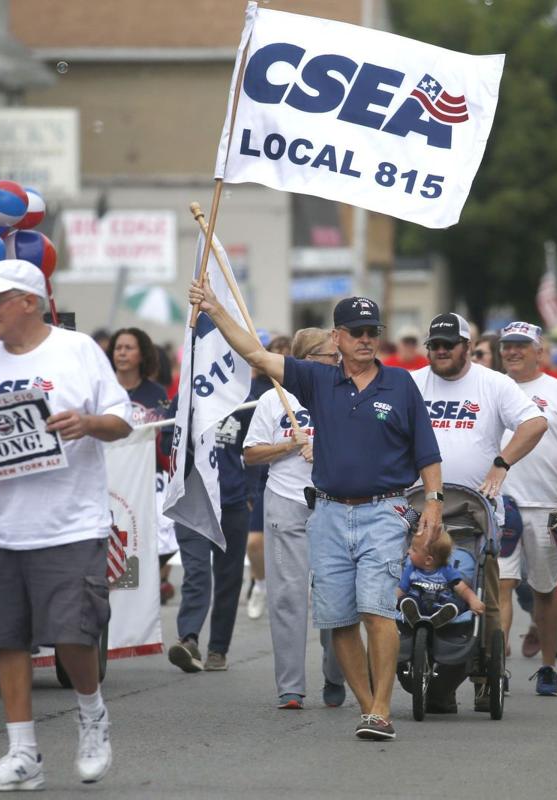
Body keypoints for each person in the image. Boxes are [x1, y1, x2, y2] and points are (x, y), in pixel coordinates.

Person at [188, 283, 444, 742]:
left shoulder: (401, 383)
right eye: (357, 331)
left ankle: (382, 709)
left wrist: (435, 505)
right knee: (338, 618)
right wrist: (215, 309)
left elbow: (427, 451)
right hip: (325, 513)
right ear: (338, 338)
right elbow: (257, 355)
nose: (366, 338)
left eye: (373, 330)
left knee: (377, 611)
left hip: (384, 511)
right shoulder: (318, 379)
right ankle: (367, 708)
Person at [0, 260, 133, 790]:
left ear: (30, 301)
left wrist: (88, 423)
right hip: (2, 525)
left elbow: (122, 418)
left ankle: (92, 715)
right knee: (8, 641)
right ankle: (23, 752)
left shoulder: (77, 350)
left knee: (72, 635)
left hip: (70, 523)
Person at [410, 313, 546, 711]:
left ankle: (487, 677)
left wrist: (501, 464)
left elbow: (535, 423)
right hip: (419, 507)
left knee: (481, 595)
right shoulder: (413, 383)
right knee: (417, 588)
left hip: (475, 513)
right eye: (434, 344)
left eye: (448, 344)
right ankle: (434, 679)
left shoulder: (494, 384)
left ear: (467, 347)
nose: (440, 351)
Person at [243, 328, 345, 709]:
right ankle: (291, 687)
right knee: (286, 596)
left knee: (335, 596)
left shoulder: (343, 395)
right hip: (285, 503)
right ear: (306, 360)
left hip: (334, 503)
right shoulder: (274, 400)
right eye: (330, 356)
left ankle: (336, 674)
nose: (337, 362)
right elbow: (250, 453)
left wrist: (325, 448)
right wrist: (290, 445)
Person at [497, 321, 557, 697]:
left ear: (539, 351)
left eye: (522, 345)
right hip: (501, 502)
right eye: (507, 345)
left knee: (544, 589)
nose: (513, 351)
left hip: (547, 505)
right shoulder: (492, 385)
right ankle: (496, 667)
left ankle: (549, 666)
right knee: (501, 586)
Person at [166, 401, 253, 673]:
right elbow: (165, 445)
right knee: (196, 571)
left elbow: (255, 450)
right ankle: (189, 639)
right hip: (193, 501)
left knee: (229, 576)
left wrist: (251, 493)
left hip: (233, 502)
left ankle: (218, 649)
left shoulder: (243, 398)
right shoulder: (185, 398)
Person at [105, 327, 177, 603]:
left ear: (142, 354)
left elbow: (165, 442)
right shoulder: (103, 387)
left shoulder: (156, 393)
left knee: (156, 542)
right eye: (118, 347)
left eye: (128, 348)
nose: (121, 353)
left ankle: (148, 585)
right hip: (108, 480)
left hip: (148, 482)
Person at [246, 335, 293, 622]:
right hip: (261, 478)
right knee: (255, 543)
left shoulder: (300, 387)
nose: (282, 358)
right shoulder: (255, 392)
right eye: (277, 352)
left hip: (296, 479)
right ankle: (260, 585)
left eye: (288, 354)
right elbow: (246, 447)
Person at [397, 533, 485, 626]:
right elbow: (401, 590)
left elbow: (462, 589)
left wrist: (473, 600)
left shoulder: (447, 570)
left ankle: (442, 617)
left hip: (440, 605)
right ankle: (413, 615)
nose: (408, 551)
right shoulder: (410, 569)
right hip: (417, 604)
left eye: (413, 549)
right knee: (406, 599)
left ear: (428, 560)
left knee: (457, 603)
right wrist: (389, 603)